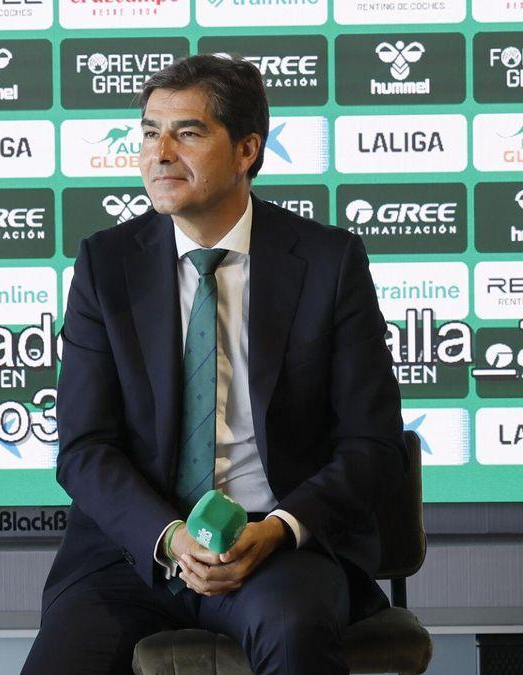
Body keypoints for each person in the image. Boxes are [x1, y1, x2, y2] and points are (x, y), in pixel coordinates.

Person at [21, 55, 407, 674]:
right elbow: (85, 448)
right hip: (137, 549)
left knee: (295, 634)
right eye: (150, 132)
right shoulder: (105, 264)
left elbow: (373, 445)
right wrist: (170, 538)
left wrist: (281, 528)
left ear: (247, 149)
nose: (160, 153)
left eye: (188, 133)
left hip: (278, 547)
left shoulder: (329, 264)